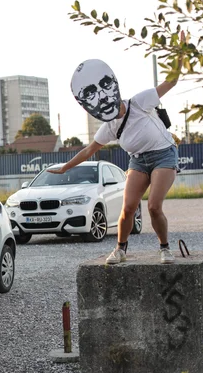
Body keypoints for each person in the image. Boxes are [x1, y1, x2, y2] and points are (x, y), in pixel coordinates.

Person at [51, 43, 184, 265]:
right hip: (138, 161)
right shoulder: (110, 126)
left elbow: (171, 82)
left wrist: (180, 55)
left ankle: (164, 248)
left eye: (104, 86)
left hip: (164, 154)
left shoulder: (139, 102)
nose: (102, 96)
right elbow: (88, 150)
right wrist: (66, 167)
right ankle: (120, 249)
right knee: (128, 208)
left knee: (153, 206)